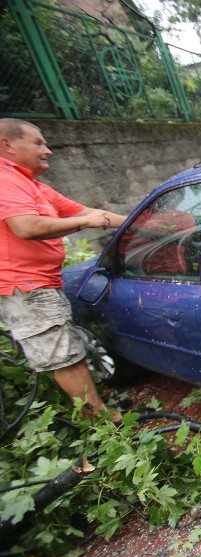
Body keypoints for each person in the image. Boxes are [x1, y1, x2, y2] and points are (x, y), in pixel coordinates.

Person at [0, 118, 127, 420]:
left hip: (40, 283)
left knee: (69, 352)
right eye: (38, 143)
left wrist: (147, 222)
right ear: (7, 145)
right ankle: (102, 424)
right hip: (25, 288)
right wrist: (84, 222)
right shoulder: (5, 180)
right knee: (65, 358)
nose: (48, 150)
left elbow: (93, 213)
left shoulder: (34, 186)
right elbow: (26, 226)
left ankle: (95, 410)